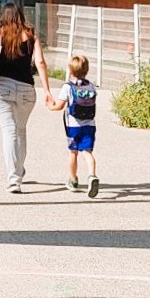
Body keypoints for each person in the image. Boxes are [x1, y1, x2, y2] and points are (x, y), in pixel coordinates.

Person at [0, 3, 53, 193]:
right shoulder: (31, 34)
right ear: (20, 15)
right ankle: (18, 170)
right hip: (27, 90)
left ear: (4, 15)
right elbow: (40, 62)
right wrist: (47, 90)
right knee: (21, 130)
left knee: (9, 131)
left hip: (2, 88)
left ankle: (13, 179)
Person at [47, 54, 100, 198]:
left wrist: (50, 106)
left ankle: (73, 179)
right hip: (89, 124)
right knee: (87, 152)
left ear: (70, 70)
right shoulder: (91, 86)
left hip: (73, 126)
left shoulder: (68, 87)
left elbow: (59, 106)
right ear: (87, 70)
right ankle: (92, 175)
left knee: (73, 153)